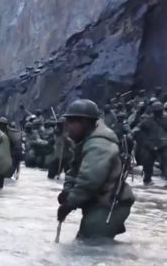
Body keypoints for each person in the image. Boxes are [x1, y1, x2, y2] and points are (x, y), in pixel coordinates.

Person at [57, 99, 134, 240]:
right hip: (99, 203)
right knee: (86, 244)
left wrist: (69, 205)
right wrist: (67, 190)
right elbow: (74, 170)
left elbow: (89, 181)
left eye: (73, 122)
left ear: (85, 122)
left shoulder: (98, 145)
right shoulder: (85, 140)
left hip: (109, 206)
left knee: (89, 245)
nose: (68, 126)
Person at [134, 101, 167, 184]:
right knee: (147, 161)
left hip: (164, 144)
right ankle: (147, 179)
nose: (158, 113)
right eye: (156, 111)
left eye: (159, 111)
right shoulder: (147, 120)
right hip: (150, 144)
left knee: (165, 160)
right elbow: (138, 129)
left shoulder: (166, 119)